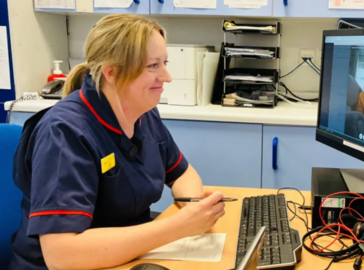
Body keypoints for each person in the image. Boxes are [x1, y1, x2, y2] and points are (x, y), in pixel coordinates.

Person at [9, 14, 225, 270]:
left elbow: (181, 173)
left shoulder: (143, 113)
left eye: (164, 63)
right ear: (111, 72)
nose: (167, 77)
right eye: (153, 66)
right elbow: (61, 255)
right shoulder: (65, 131)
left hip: (128, 256)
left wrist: (195, 208)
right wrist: (177, 227)